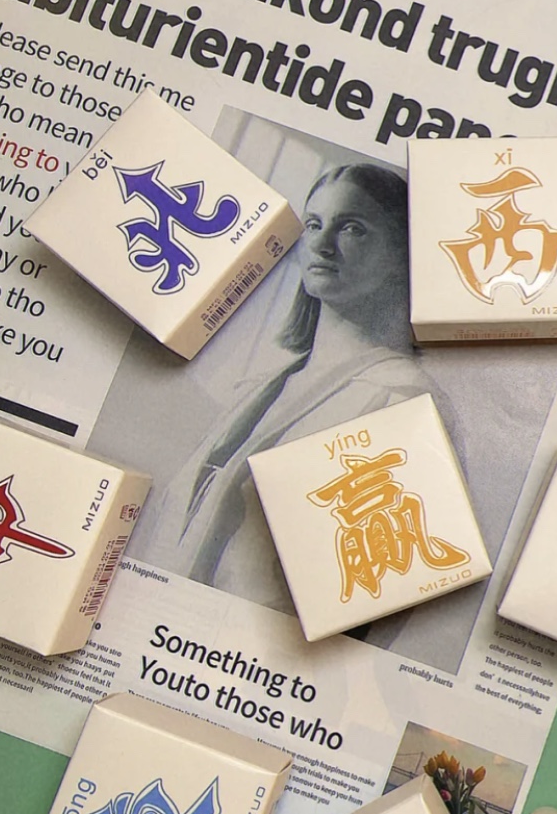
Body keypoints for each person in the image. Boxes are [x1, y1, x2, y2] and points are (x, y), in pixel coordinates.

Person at [139, 162, 447, 611]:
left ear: (402, 255)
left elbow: (385, 586)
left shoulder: (402, 400)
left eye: (352, 228)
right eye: (314, 224)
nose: (321, 244)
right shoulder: (260, 387)